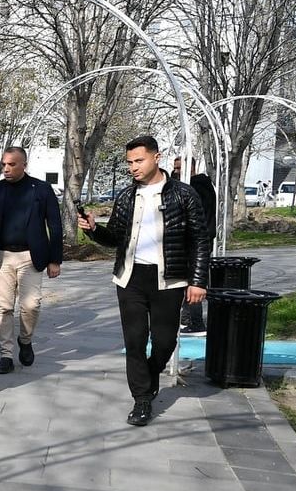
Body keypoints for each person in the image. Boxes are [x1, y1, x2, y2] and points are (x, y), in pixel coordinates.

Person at [80, 136, 211, 427]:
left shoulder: (184, 195)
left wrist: (198, 280)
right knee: (135, 341)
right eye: (129, 162)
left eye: (139, 160)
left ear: (156, 157)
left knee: (164, 341)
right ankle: (141, 399)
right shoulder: (127, 196)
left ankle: (150, 377)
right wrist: (93, 229)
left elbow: (200, 240)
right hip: (131, 278)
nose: (133, 167)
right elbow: (115, 237)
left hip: (169, 279)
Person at [0, 146, 63, 374]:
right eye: (4, 164)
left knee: (31, 305)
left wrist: (55, 260)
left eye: (12, 164)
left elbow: (55, 225)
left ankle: (25, 339)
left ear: (24, 165)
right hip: (1, 256)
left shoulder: (41, 189)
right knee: (4, 307)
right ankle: (6, 354)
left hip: (31, 256)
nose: (6, 168)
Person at [172, 156, 216, 334]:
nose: (176, 172)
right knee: (186, 280)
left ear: (190, 168)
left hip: (196, 242)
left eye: (179, 168)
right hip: (196, 240)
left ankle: (195, 322)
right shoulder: (199, 186)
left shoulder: (196, 188)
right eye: (175, 168)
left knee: (192, 282)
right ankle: (187, 318)